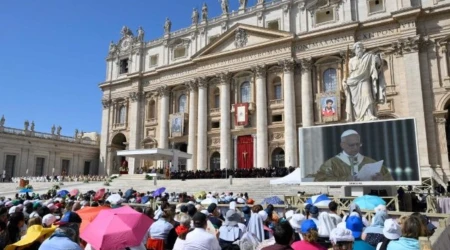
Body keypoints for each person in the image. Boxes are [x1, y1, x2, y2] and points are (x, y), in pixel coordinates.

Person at [314, 130, 393, 182]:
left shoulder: (371, 162)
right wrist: (346, 180)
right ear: (342, 145)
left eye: (358, 144)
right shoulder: (331, 164)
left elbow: (390, 179)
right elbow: (319, 180)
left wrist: (382, 180)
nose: (355, 147)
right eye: (351, 145)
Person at [343, 41, 385, 122]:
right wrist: (345, 81)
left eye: (361, 48)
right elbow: (349, 73)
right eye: (357, 48)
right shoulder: (351, 60)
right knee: (356, 102)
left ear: (363, 49)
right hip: (354, 83)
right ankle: (358, 117)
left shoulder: (369, 57)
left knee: (367, 96)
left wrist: (378, 60)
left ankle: (369, 115)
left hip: (364, 80)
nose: (359, 49)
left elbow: (378, 65)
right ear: (354, 50)